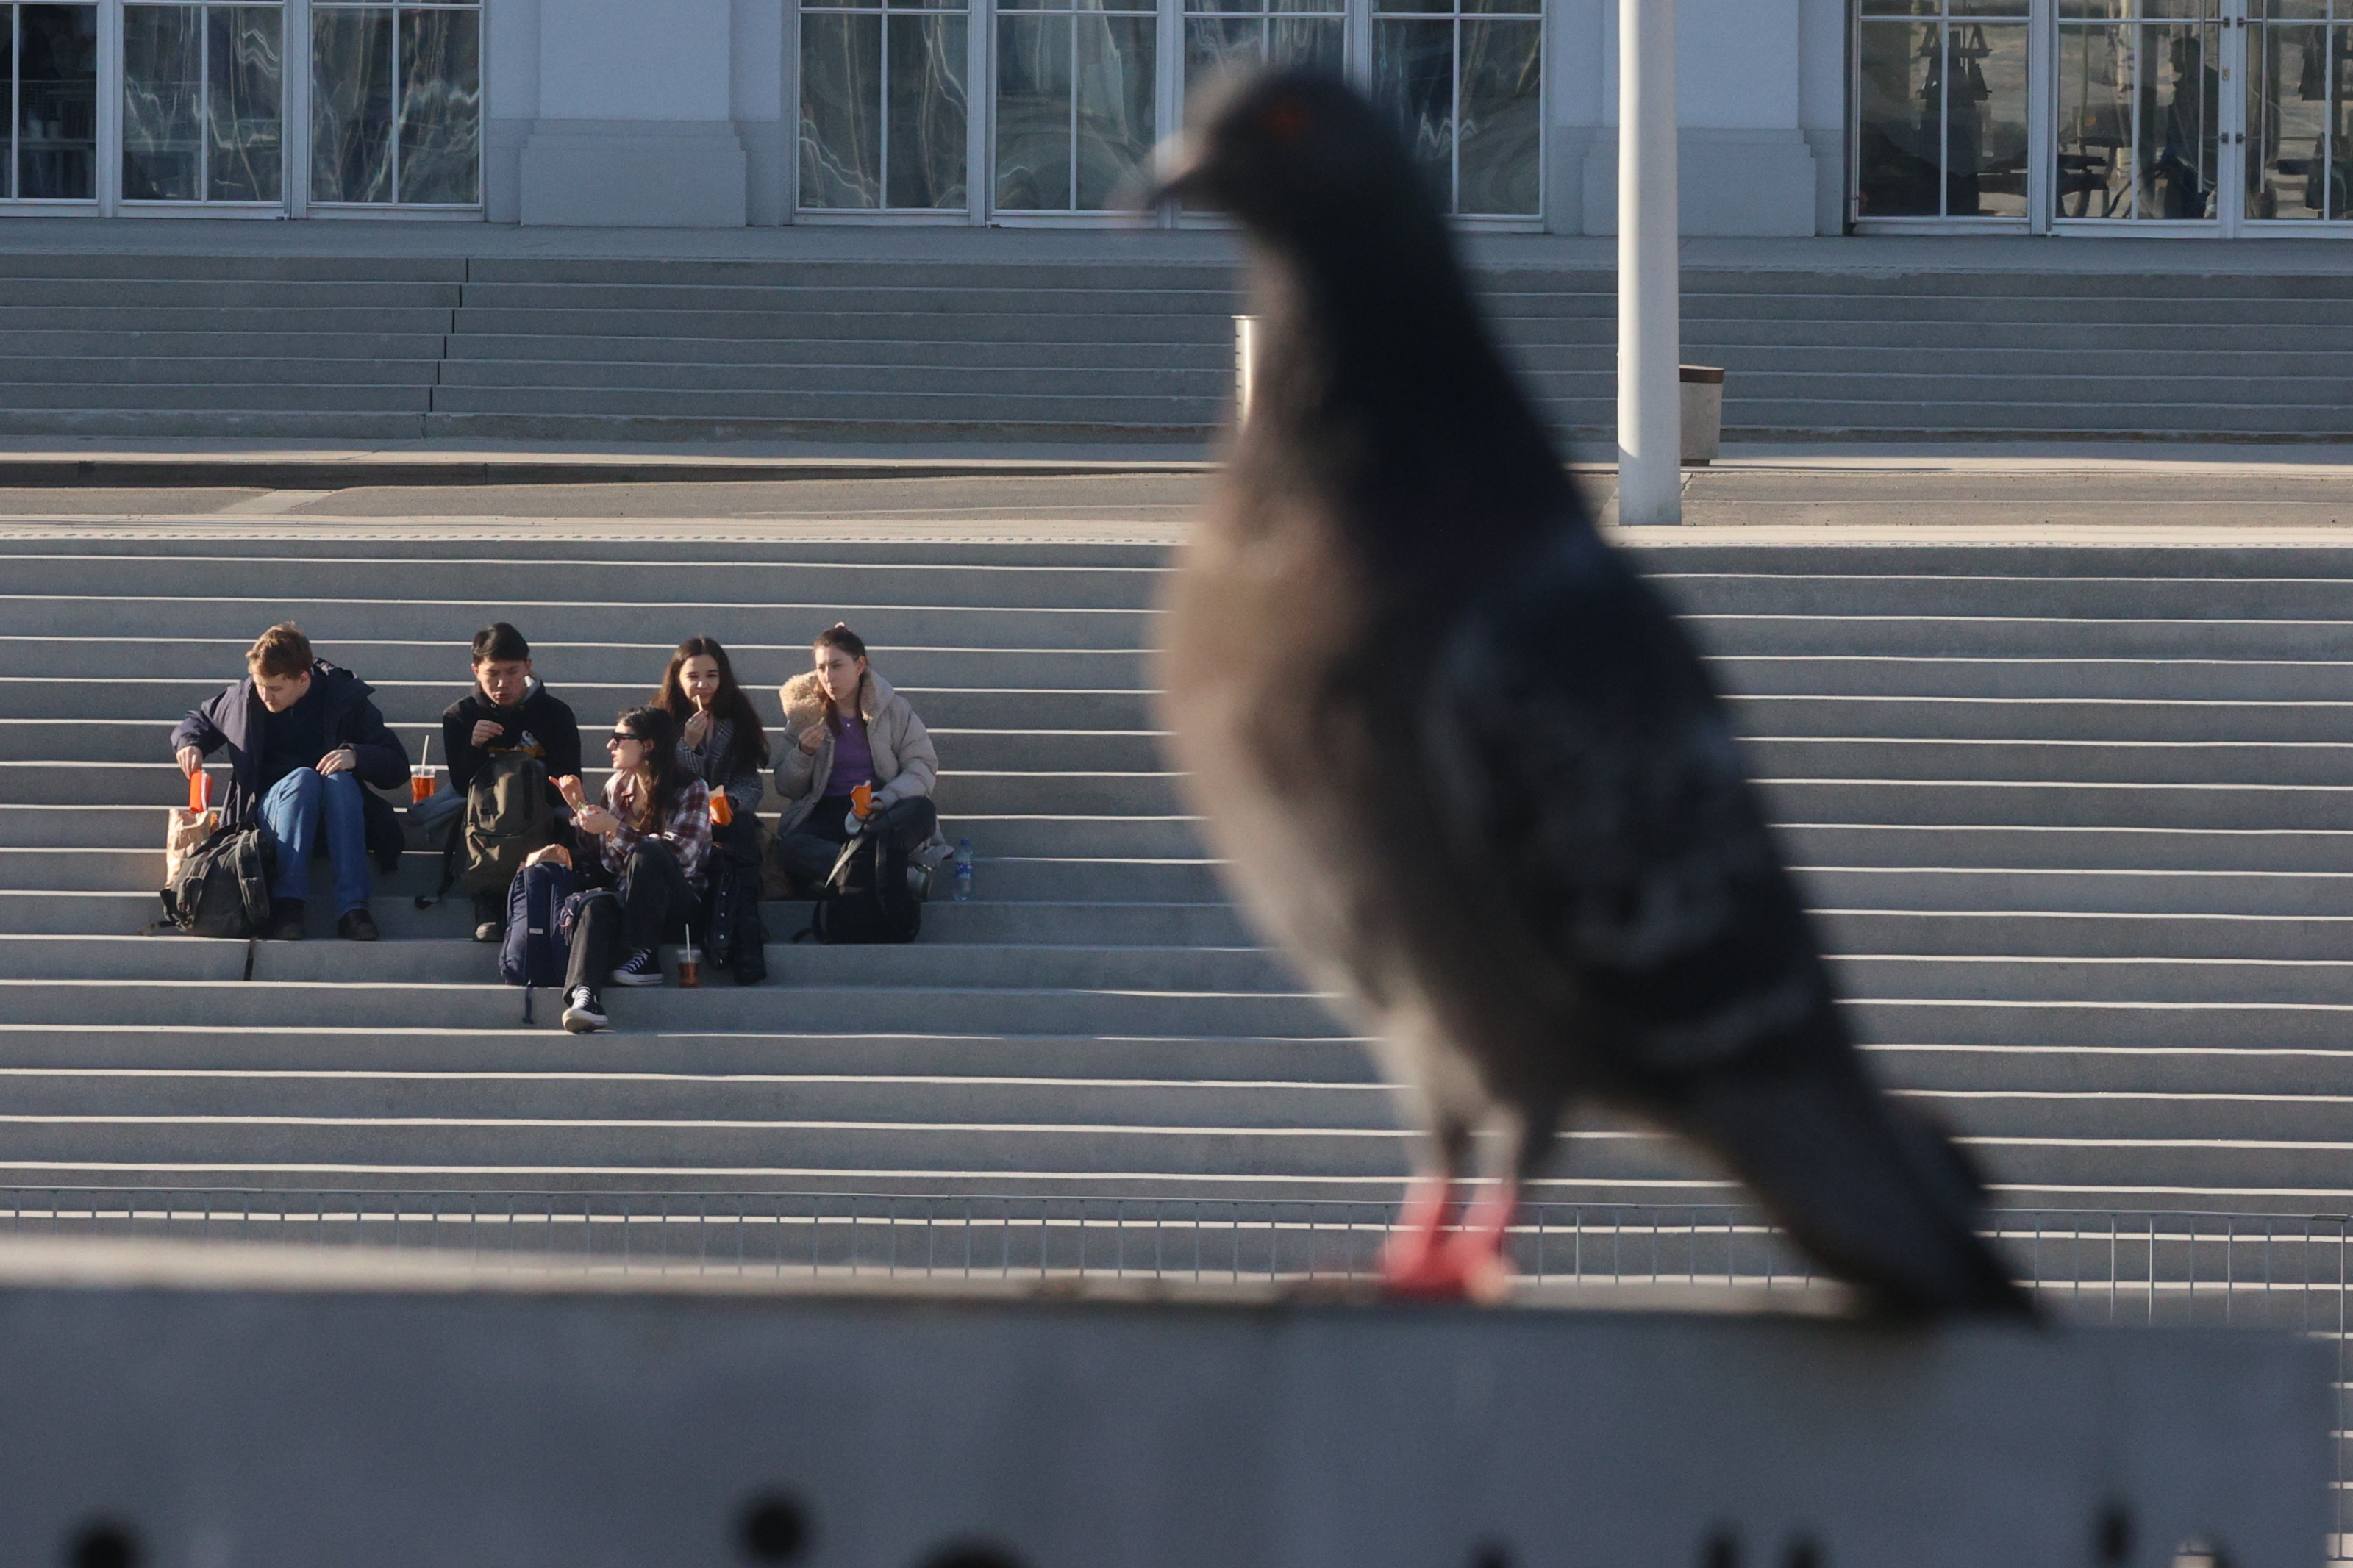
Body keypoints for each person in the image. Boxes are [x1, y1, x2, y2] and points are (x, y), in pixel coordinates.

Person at [169, 622, 408, 942]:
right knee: (304, 780)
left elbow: (397, 764)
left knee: (339, 781)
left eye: (276, 689)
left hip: (335, 819)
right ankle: (288, 905)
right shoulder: (244, 698)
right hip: (269, 818)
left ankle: (354, 909)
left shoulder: (342, 696)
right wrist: (190, 743)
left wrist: (357, 756)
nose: (265, 695)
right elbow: (199, 719)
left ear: (303, 679)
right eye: (260, 685)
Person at [556, 706, 712, 1034]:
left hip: (680, 909)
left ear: (649, 745)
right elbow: (611, 864)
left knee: (650, 851)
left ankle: (646, 955)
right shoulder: (618, 786)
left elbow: (680, 855)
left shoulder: (692, 787)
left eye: (620, 739)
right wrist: (581, 809)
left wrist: (614, 827)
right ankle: (585, 997)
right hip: (632, 902)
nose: (611, 746)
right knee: (596, 904)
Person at [439, 622, 583, 942]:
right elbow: (462, 784)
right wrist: (473, 748)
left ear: (528, 668)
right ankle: (487, 901)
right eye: (492, 674)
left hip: (539, 808)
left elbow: (568, 778)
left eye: (512, 672)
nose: (502, 683)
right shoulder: (461, 716)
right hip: (484, 817)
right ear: (476, 671)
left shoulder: (555, 713)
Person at [773, 623, 943, 893]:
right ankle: (888, 874)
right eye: (821, 668)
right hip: (829, 812)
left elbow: (922, 766)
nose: (828, 677)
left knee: (922, 810)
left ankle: (848, 874)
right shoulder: (805, 716)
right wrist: (803, 755)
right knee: (791, 846)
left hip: (880, 810)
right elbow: (785, 787)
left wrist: (886, 798)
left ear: (860, 665)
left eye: (837, 666)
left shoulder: (893, 710)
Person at [656, 636, 771, 983]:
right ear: (677, 679)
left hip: (726, 820)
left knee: (740, 828)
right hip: (681, 821)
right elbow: (659, 785)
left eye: (712, 675)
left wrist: (731, 802)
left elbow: (751, 781)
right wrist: (687, 748)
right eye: (693, 676)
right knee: (736, 840)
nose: (702, 685)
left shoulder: (736, 721)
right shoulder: (661, 723)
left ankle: (738, 933)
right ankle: (743, 936)